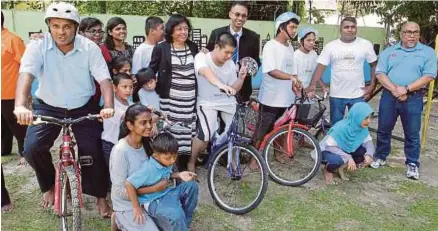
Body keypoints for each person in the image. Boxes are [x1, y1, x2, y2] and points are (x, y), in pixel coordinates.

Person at [13, 2, 114, 217]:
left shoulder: (89, 48)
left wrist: (108, 106)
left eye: (67, 26)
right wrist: (20, 105)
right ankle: (50, 185)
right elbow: (26, 74)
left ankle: (100, 198)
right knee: (32, 148)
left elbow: (105, 80)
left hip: (82, 106)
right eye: (55, 25)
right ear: (48, 25)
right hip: (48, 105)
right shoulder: (37, 46)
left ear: (76, 27)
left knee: (93, 150)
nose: (61, 31)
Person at [371, 22, 437, 180]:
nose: (411, 35)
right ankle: (380, 156)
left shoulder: (427, 53)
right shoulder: (390, 51)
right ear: (401, 33)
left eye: (415, 32)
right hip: (389, 96)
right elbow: (380, 73)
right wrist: (395, 90)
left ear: (419, 34)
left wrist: (406, 89)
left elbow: (429, 76)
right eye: (408, 32)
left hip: (413, 98)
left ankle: (412, 163)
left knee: (412, 133)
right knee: (383, 128)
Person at [188, 32, 247, 172]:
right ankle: (191, 161)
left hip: (227, 102)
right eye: (226, 52)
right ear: (216, 47)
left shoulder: (230, 63)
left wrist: (241, 78)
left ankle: (233, 162)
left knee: (235, 133)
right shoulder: (202, 57)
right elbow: (205, 73)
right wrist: (221, 85)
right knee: (205, 135)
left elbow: (233, 89)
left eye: (231, 53)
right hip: (207, 102)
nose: (228, 56)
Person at [305, 17, 378, 126]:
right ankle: (337, 144)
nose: (350, 30)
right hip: (337, 95)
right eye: (346, 27)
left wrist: (372, 85)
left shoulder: (365, 44)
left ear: (356, 28)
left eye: (353, 27)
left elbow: (374, 65)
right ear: (341, 29)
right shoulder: (331, 46)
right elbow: (321, 67)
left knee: (358, 125)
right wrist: (312, 85)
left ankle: (356, 144)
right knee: (336, 126)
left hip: (358, 95)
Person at [149, 14, 199, 171]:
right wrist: (146, 82)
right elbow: (152, 69)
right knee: (171, 134)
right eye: (179, 29)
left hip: (189, 100)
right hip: (170, 100)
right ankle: (168, 169)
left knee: (186, 134)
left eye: (186, 28)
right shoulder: (161, 48)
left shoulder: (193, 47)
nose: (183, 32)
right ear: (171, 31)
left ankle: (182, 169)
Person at [125, 132, 198, 231]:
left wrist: (179, 175)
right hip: (153, 201)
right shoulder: (148, 169)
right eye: (168, 158)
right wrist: (136, 207)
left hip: (166, 193)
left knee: (192, 185)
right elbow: (129, 184)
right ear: (156, 156)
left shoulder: (165, 162)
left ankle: (184, 223)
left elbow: (164, 175)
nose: (172, 160)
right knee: (175, 213)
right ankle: (179, 224)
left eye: (175, 156)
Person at [253, 12, 301, 154]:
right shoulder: (270, 46)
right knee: (263, 129)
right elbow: (271, 71)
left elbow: (293, 69)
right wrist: (291, 78)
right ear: (281, 28)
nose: (294, 31)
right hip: (270, 98)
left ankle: (279, 153)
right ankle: (254, 158)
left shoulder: (290, 47)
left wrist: (295, 82)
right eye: (292, 27)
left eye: (295, 28)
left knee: (282, 128)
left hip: (286, 97)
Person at [110, 104, 159, 231]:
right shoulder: (120, 151)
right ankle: (119, 218)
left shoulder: (147, 143)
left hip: (148, 200)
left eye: (150, 122)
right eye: (143, 123)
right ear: (130, 125)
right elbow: (120, 190)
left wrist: (177, 175)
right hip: (127, 205)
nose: (149, 126)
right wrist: (152, 190)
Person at [206, 1, 260, 101]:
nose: (240, 18)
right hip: (219, 85)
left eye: (244, 16)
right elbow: (209, 59)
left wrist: (246, 69)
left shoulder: (253, 37)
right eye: (237, 14)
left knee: (240, 116)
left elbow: (256, 62)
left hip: (243, 89)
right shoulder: (217, 33)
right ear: (230, 14)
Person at [319, 102, 375, 184]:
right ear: (357, 117)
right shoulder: (341, 127)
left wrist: (369, 155)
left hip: (343, 150)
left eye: (370, 118)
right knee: (338, 160)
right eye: (366, 118)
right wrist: (348, 157)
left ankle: (341, 167)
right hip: (328, 150)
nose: (369, 121)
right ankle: (327, 169)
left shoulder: (362, 127)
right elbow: (329, 146)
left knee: (364, 153)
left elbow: (368, 142)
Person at [1, 11, 27, 165]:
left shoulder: (12, 39)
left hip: (10, 90)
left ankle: (25, 151)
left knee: (15, 122)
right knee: (2, 123)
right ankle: (4, 149)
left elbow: (25, 64)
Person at [102, 73, 134, 168]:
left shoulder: (131, 104)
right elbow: (128, 116)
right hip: (111, 145)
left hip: (125, 145)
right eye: (124, 87)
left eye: (131, 87)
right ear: (114, 88)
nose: (128, 90)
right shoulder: (111, 105)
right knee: (114, 175)